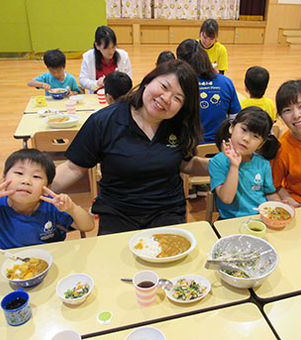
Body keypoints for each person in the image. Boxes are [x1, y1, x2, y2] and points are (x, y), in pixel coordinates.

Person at [52, 60, 208, 235]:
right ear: (149, 80)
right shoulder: (105, 121)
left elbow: (184, 163)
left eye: (177, 98)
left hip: (167, 212)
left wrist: (220, 165)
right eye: (164, 86)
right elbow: (73, 167)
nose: (166, 98)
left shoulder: (179, 125)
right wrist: (35, 186)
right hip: (117, 212)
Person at [0, 149, 94, 249]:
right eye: (19, 173)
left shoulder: (52, 206)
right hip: (12, 267)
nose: (26, 181)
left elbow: (88, 226)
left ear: (47, 186)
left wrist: (72, 208)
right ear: (4, 178)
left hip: (52, 262)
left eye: (36, 176)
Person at [209, 107, 281, 219]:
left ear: (261, 144)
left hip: (260, 218)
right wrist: (234, 165)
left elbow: (269, 193)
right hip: (230, 221)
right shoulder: (217, 162)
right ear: (232, 128)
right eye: (244, 130)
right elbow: (226, 198)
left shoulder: (263, 163)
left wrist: (279, 207)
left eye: (255, 136)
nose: (247, 139)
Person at [176, 39, 241, 144]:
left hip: (190, 148)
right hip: (221, 148)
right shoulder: (226, 82)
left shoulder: (180, 85)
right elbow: (236, 119)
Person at [79, 25, 132, 93]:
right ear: (97, 46)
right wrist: (97, 84)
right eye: (106, 48)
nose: (111, 51)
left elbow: (129, 80)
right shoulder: (88, 57)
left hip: (117, 97)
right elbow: (82, 80)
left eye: (113, 47)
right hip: (97, 97)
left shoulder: (123, 56)